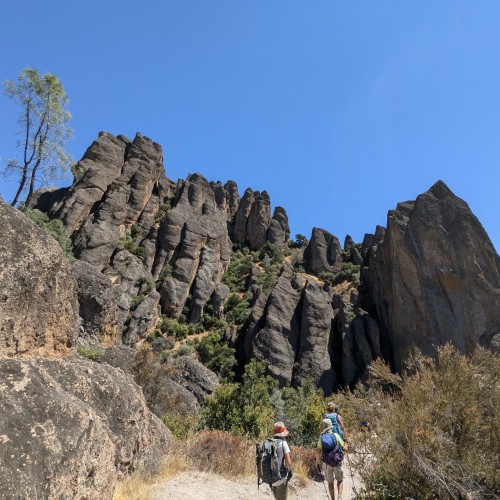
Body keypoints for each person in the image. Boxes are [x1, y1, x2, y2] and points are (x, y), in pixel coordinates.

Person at [315, 418, 344, 500]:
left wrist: (318, 461)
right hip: (336, 461)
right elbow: (343, 446)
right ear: (331, 426)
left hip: (327, 463)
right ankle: (340, 497)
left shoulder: (322, 437)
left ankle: (333, 499)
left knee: (330, 482)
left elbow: (318, 451)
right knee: (340, 479)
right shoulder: (336, 435)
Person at [271, 421, 293, 500]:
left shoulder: (269, 442)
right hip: (280, 478)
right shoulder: (283, 443)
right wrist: (290, 472)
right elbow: (288, 462)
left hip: (270, 477)